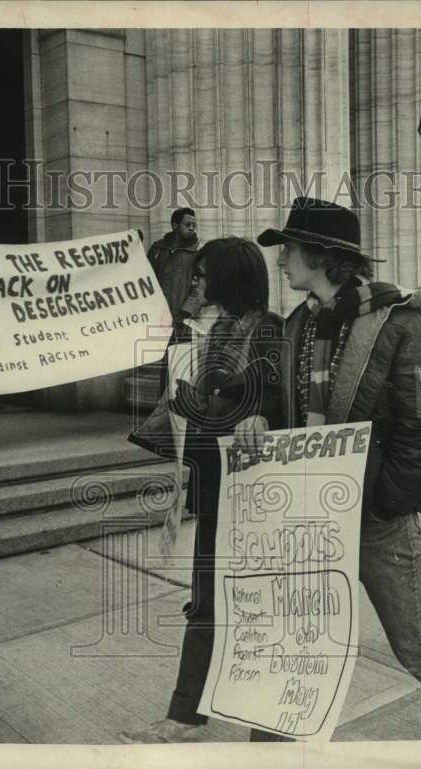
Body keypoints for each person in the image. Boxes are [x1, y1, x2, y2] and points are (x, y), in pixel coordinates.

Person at [235, 197, 421, 740]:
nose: (281, 262)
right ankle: (274, 752)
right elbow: (286, 401)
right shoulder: (299, 323)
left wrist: (385, 498)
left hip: (376, 517)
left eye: (290, 251)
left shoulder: (402, 321)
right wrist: (259, 418)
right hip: (305, 512)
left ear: (325, 258)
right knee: (293, 641)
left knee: (415, 644)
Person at [120, 237, 286, 743]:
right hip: (215, 488)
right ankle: (186, 712)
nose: (194, 282)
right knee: (207, 602)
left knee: (262, 607)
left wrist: (212, 405)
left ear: (229, 278)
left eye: (203, 273)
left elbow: (275, 408)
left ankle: (269, 728)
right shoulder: (207, 333)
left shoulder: (269, 332)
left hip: (258, 497)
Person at [147, 208, 200, 397]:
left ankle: (178, 406)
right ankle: (163, 409)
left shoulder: (195, 254)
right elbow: (145, 279)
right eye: (188, 225)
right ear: (175, 225)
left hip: (181, 321)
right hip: (159, 318)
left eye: (194, 225)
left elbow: (198, 287)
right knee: (162, 364)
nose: (192, 228)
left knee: (180, 364)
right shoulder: (157, 249)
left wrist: (185, 312)